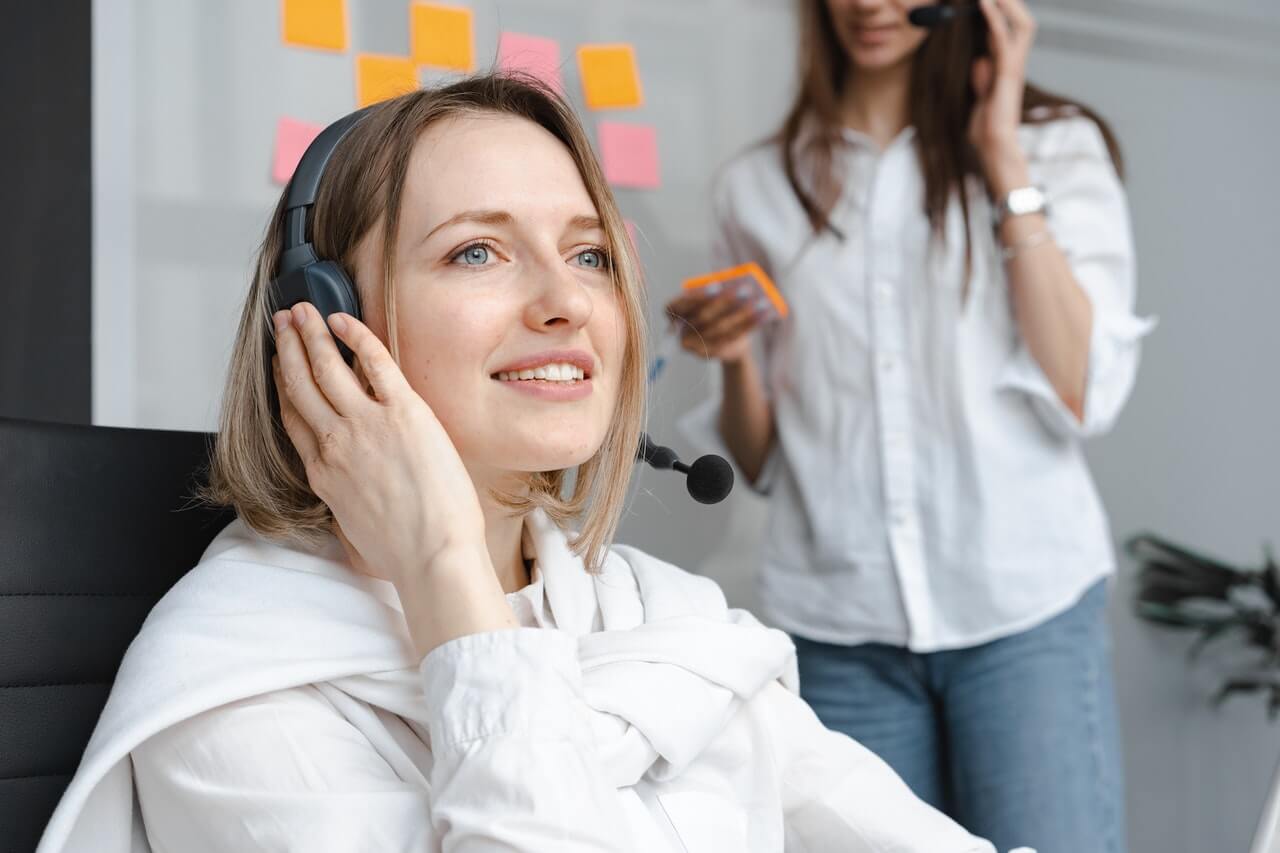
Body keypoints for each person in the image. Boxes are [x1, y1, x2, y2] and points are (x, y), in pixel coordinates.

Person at [36, 75, 999, 853]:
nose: (566, 303)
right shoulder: (237, 696)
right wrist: (446, 574)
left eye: (587, 257)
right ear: (328, 320)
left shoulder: (666, 626)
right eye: (478, 253)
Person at [667, 1, 1154, 851]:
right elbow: (764, 459)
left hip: (1022, 612)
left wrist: (1003, 161)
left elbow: (1084, 388)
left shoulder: (1055, 149)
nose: (870, 5)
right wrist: (737, 357)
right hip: (839, 622)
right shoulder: (758, 186)